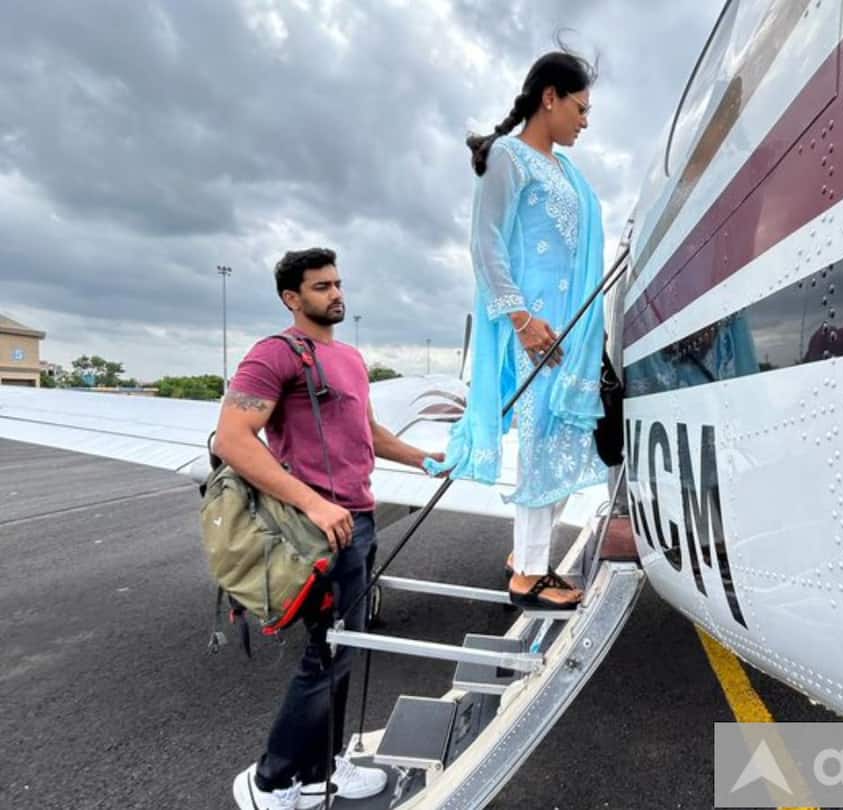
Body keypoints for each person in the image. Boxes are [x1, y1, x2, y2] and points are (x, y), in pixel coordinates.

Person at [215, 248, 441, 810]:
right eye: (321, 287)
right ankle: (269, 780)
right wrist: (313, 505)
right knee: (326, 653)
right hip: (318, 530)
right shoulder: (276, 354)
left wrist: (424, 459)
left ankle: (322, 772)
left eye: (338, 283)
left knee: (345, 650)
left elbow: (370, 433)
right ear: (292, 298)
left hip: (359, 521)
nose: (336, 294)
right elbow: (233, 439)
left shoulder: (351, 359)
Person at [425, 51, 608, 610]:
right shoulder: (509, 158)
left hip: (571, 330)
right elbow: (487, 245)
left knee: (564, 438)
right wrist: (522, 321)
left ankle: (525, 555)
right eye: (580, 107)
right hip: (536, 328)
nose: (585, 120)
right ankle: (529, 573)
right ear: (549, 97)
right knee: (540, 441)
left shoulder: (568, 171)